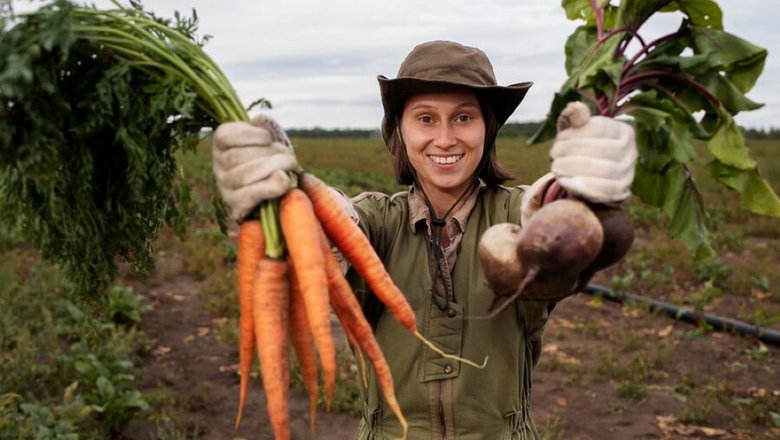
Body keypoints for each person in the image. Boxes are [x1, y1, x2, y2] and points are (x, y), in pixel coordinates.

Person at [212, 40, 637, 439]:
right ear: (400, 130)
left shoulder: (514, 214)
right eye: (426, 118)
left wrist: (584, 194)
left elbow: (545, 230)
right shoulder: (378, 221)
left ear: (487, 129)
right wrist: (286, 194)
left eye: (464, 118)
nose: (446, 138)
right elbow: (338, 226)